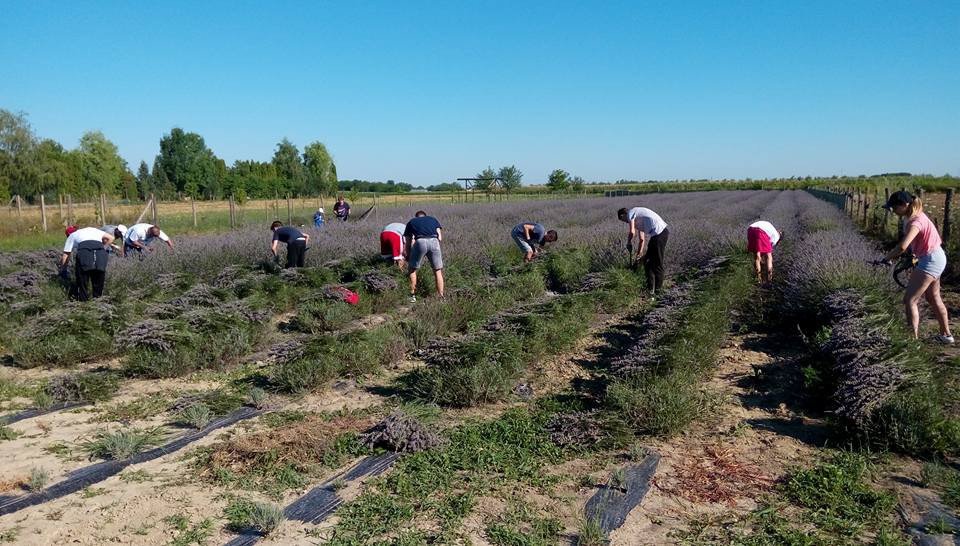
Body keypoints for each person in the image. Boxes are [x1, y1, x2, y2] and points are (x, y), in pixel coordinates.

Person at [879, 191, 953, 343]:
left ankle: (912, 342)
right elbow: (918, 242)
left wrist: (886, 258)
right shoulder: (915, 216)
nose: (892, 211)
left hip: (930, 260)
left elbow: (902, 247)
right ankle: (946, 335)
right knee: (933, 297)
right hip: (936, 256)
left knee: (910, 300)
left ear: (905, 205)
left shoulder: (915, 222)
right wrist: (914, 255)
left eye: (893, 208)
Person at [618, 207, 669, 293]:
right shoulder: (638, 217)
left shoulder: (631, 213)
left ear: (623, 215)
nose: (625, 222)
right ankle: (650, 291)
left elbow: (632, 232)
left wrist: (629, 242)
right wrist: (639, 255)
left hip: (659, 234)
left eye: (623, 220)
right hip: (658, 235)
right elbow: (642, 240)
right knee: (647, 262)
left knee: (657, 264)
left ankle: (658, 292)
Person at [60, 226, 114, 301]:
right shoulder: (94, 230)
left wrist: (63, 269)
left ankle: (84, 305)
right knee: (98, 282)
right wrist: (103, 248)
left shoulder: (72, 235)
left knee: (82, 282)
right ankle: (99, 304)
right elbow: (111, 238)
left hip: (84, 253)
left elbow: (66, 254)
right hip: (100, 254)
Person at [403, 211, 444, 302]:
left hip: (420, 241)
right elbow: (440, 237)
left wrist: (408, 255)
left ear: (416, 217)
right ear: (425, 216)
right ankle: (441, 297)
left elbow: (408, 242)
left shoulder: (412, 222)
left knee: (412, 269)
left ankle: (412, 296)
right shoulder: (433, 220)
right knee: (437, 270)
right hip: (434, 241)